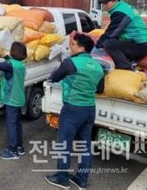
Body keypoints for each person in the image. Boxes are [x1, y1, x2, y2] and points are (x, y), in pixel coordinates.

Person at [45, 33, 104, 189]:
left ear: (81, 48)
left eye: (73, 44)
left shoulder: (70, 63)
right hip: (90, 109)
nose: (70, 46)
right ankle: (82, 180)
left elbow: (55, 77)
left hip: (72, 109)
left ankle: (62, 178)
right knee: (85, 145)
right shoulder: (99, 66)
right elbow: (100, 89)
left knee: (64, 144)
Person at [0, 42, 27, 161]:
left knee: (11, 125)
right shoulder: (21, 65)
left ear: (13, 51)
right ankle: (19, 147)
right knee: (17, 124)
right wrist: (5, 56)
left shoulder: (10, 65)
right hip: (19, 98)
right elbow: (9, 64)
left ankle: (12, 150)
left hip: (11, 99)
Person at [96, 0, 147, 70]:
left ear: (115, 1)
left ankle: (126, 68)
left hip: (141, 45)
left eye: (106, 3)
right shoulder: (124, 8)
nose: (104, 5)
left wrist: (97, 47)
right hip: (140, 43)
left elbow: (112, 33)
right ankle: (131, 62)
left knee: (109, 44)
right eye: (103, 3)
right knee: (113, 42)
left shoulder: (120, 12)